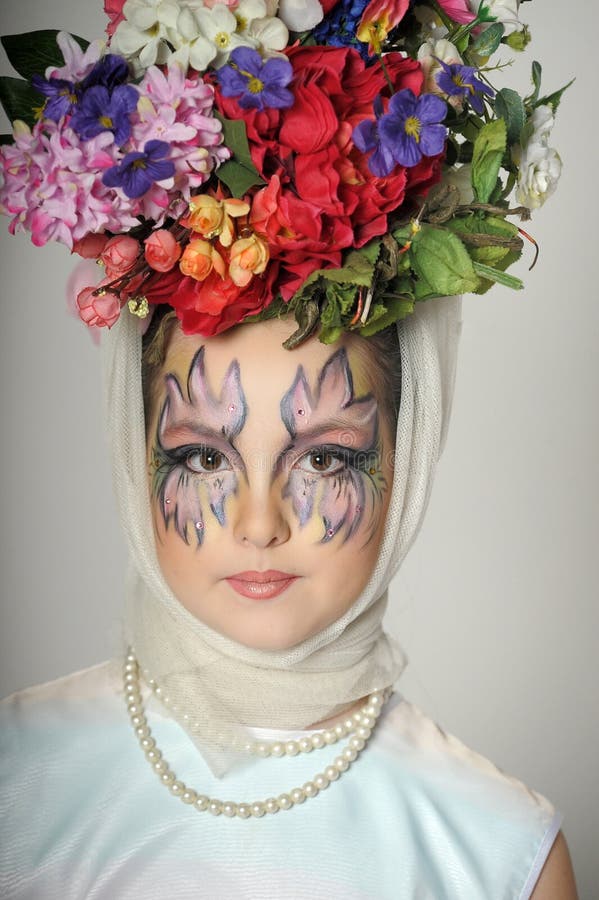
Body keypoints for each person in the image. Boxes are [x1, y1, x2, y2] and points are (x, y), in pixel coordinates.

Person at [0, 0, 579, 896]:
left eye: (323, 458)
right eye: (200, 457)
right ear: (131, 441)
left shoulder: (500, 853)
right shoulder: (17, 783)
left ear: (409, 451)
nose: (259, 523)